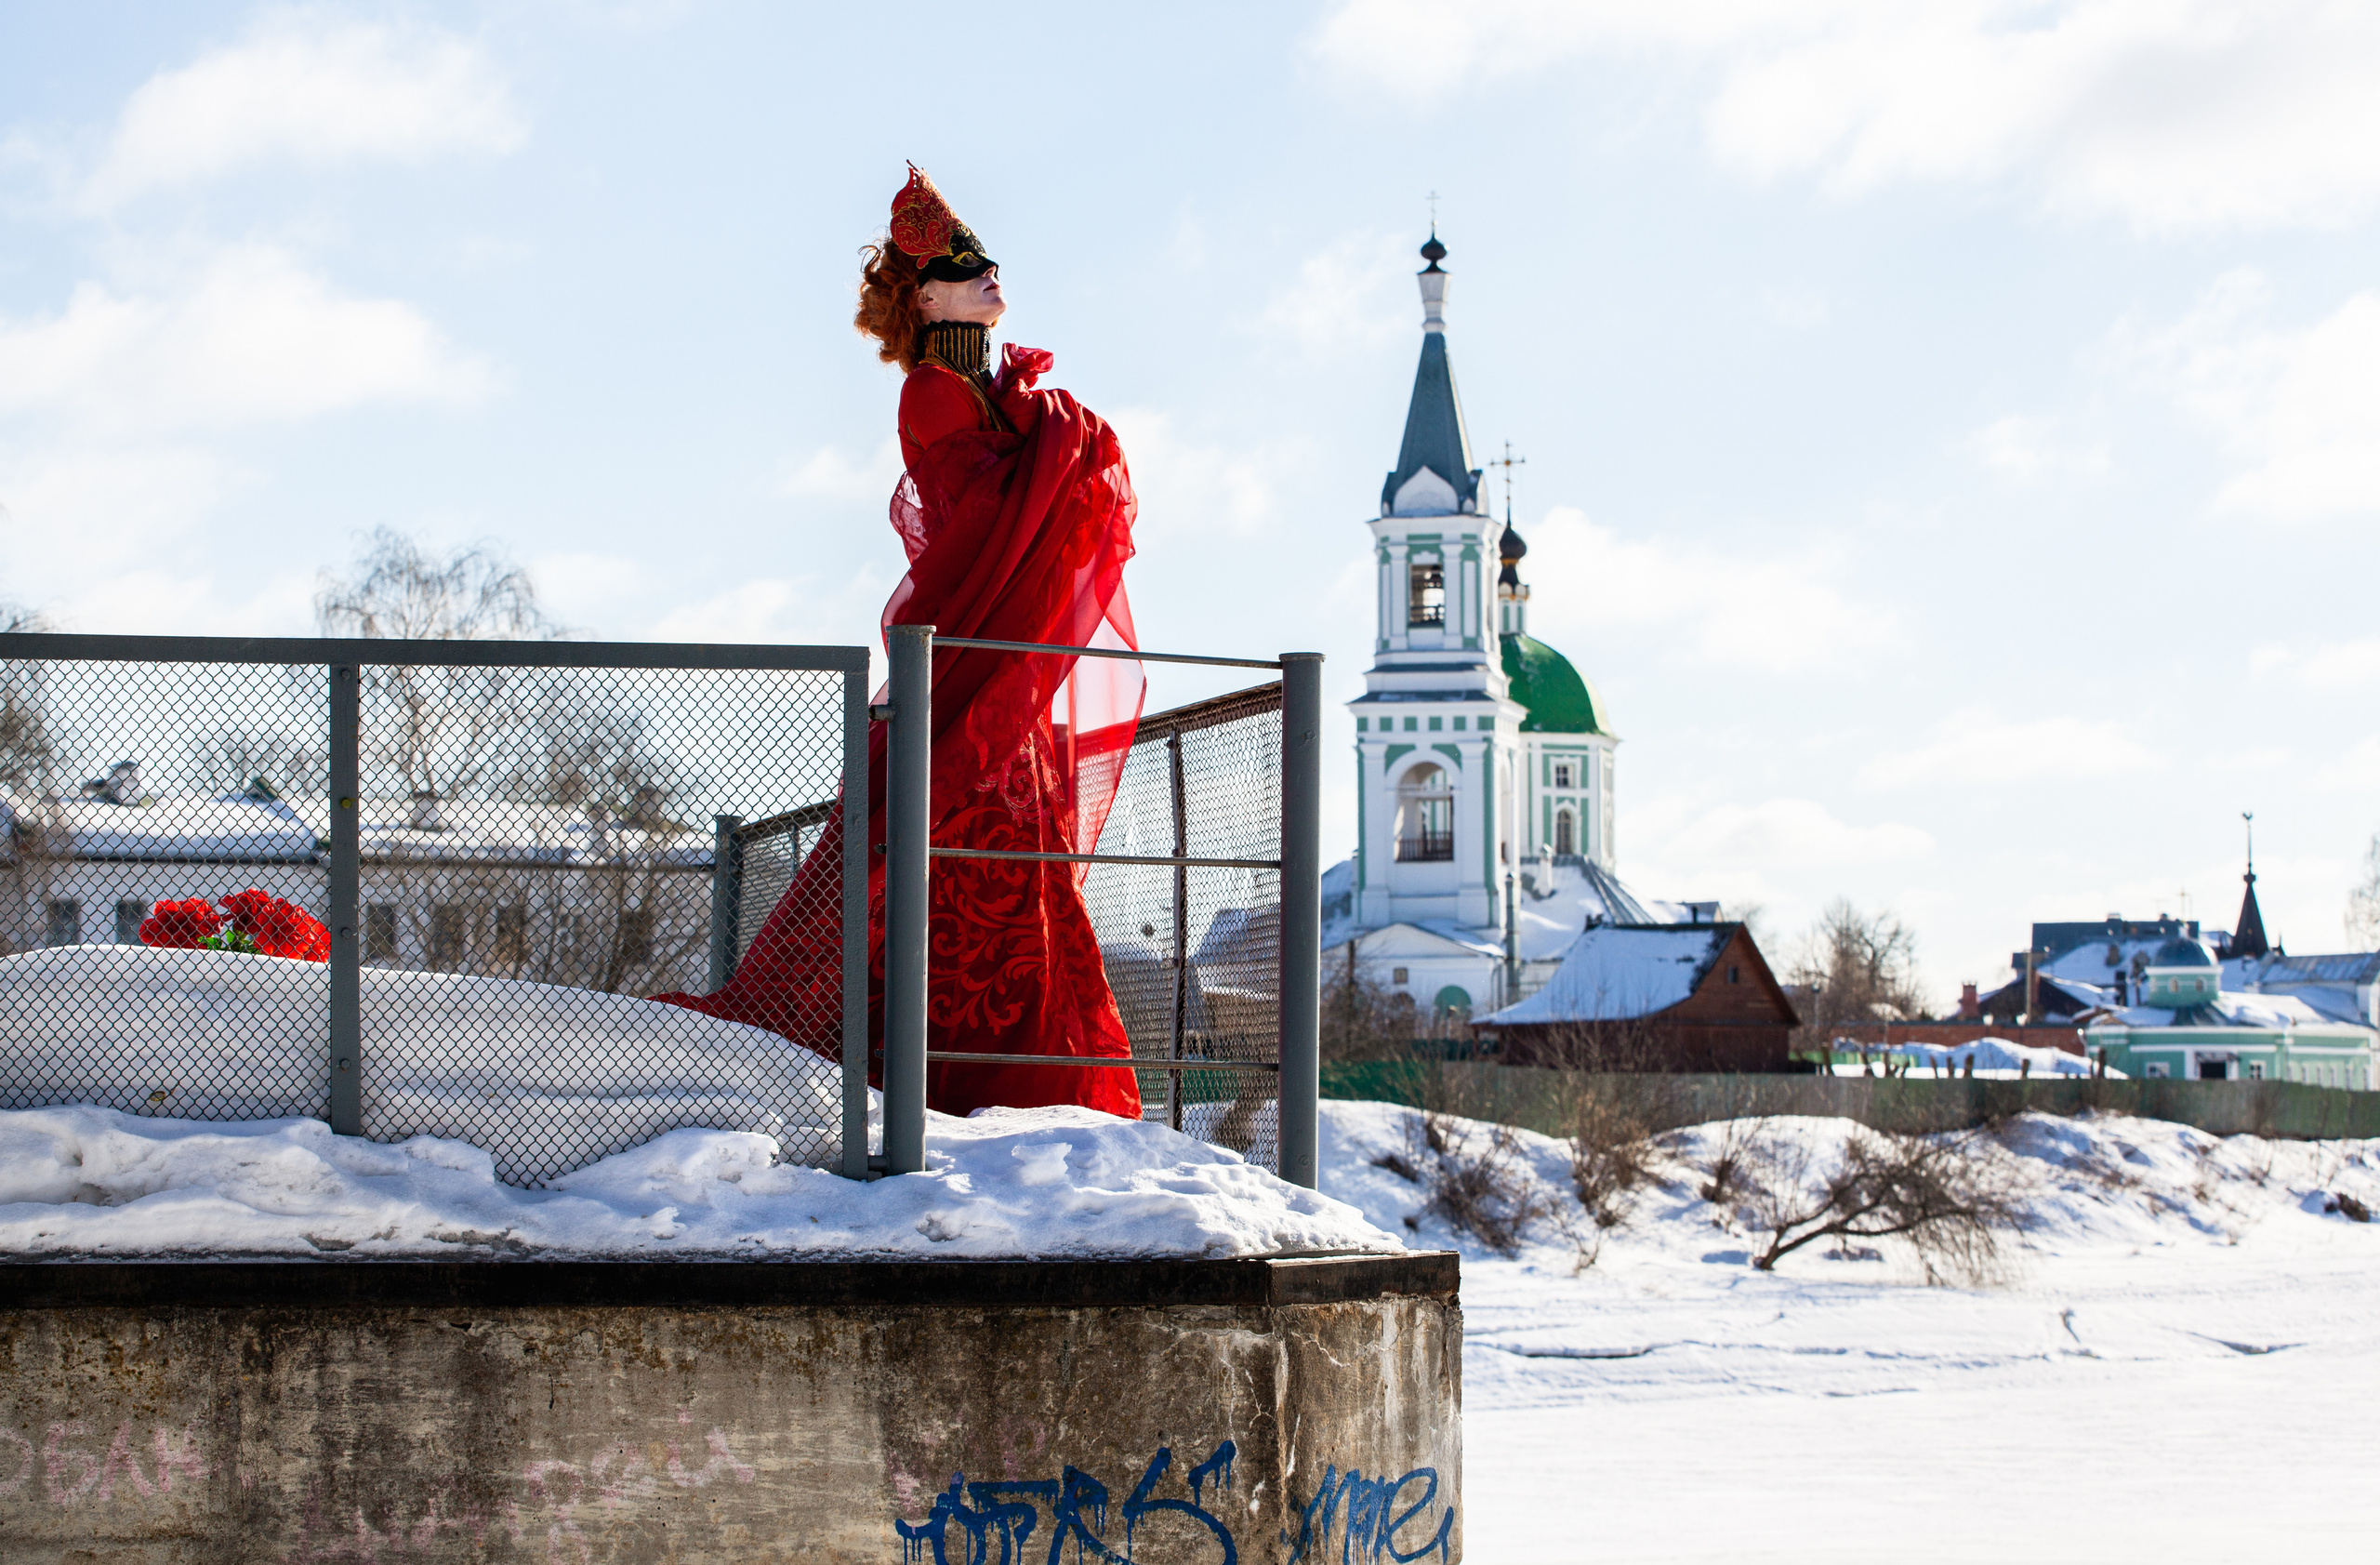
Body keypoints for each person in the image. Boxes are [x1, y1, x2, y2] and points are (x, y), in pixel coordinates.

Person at [654, 165, 1143, 1119]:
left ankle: (1032, 1092)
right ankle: (933, 1084)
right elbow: (984, 524)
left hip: (1003, 678)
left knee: (1019, 885)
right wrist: (1053, 441)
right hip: (961, 668)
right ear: (926, 296)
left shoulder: (999, 393)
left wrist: (1054, 431)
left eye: (989, 260)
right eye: (968, 265)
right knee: (922, 868)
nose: (992, 272)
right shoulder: (931, 391)